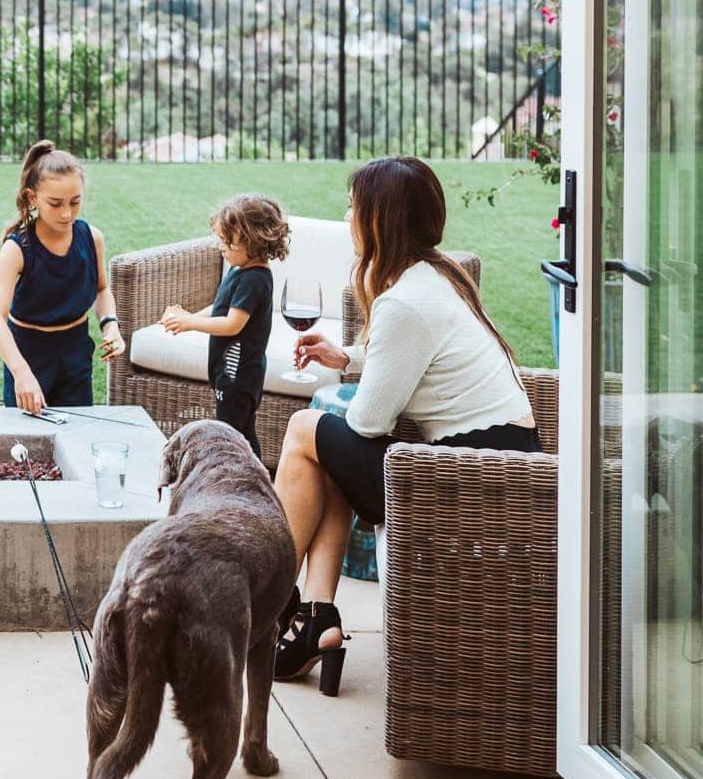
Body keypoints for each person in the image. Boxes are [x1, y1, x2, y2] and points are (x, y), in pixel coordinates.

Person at [272, 157, 540, 691]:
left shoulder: (403, 302)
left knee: (307, 429)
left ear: (378, 220)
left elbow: (370, 422)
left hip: (463, 490)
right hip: (498, 470)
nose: (347, 215)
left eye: (353, 207)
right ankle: (316, 618)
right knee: (327, 449)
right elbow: (415, 355)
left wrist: (349, 388)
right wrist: (345, 355)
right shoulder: (438, 275)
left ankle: (270, 598)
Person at [0, 141, 125, 415]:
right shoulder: (16, 249)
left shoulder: (92, 237)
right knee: (25, 446)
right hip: (28, 354)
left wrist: (110, 325)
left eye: (75, 202)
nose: (66, 213)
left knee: (76, 434)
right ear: (32, 198)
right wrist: (21, 373)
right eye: (55, 203)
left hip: (75, 353)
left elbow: (101, 289)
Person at [158, 194, 289, 463]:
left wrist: (190, 323)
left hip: (239, 376)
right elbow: (221, 308)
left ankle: (238, 474)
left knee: (231, 432)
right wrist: (188, 316)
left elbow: (232, 324)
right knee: (240, 430)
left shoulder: (254, 279)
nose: (220, 246)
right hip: (229, 374)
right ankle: (249, 474)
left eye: (227, 240)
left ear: (253, 241)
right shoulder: (239, 270)